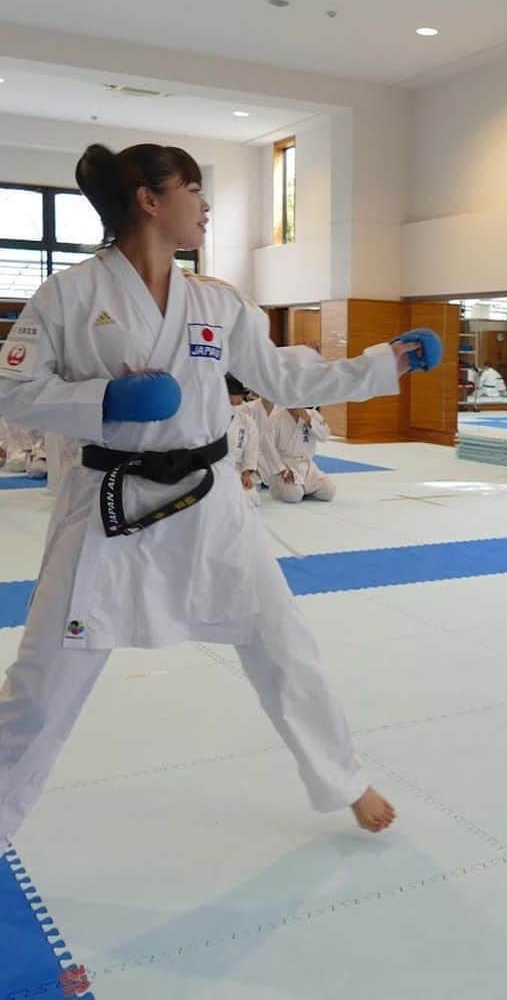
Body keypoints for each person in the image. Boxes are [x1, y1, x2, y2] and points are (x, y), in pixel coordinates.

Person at [0, 142, 438, 850]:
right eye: (194, 189)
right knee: (43, 681)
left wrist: (385, 362)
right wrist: (105, 398)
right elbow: (11, 389)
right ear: (149, 198)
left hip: (211, 505)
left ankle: (345, 778)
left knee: (284, 646)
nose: (206, 206)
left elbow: (291, 380)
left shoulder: (219, 302)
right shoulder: (69, 295)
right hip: (108, 510)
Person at [268, 406, 336, 503]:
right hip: (286, 466)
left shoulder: (313, 414)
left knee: (329, 492)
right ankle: (281, 489)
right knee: (293, 496)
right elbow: (269, 448)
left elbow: (324, 436)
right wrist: (282, 470)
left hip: (307, 466)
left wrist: (307, 418)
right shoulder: (276, 417)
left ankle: (304, 491)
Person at [225, 373, 261, 506]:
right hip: (215, 469)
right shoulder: (210, 419)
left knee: (252, 500)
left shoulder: (247, 422)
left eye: (238, 403)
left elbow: (251, 450)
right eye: (230, 403)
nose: (235, 407)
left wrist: (246, 474)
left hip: (237, 469)